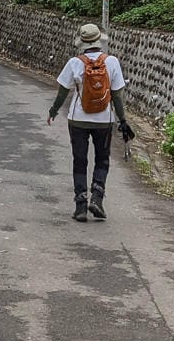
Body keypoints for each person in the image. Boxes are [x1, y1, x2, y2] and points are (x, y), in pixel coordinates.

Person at [47, 23, 133, 222]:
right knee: (102, 159)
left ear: (81, 42)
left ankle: (80, 206)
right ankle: (97, 198)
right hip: (104, 120)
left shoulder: (75, 63)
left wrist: (53, 111)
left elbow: (62, 91)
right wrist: (123, 120)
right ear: (99, 40)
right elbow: (117, 96)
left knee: (80, 160)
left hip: (78, 119)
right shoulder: (111, 62)